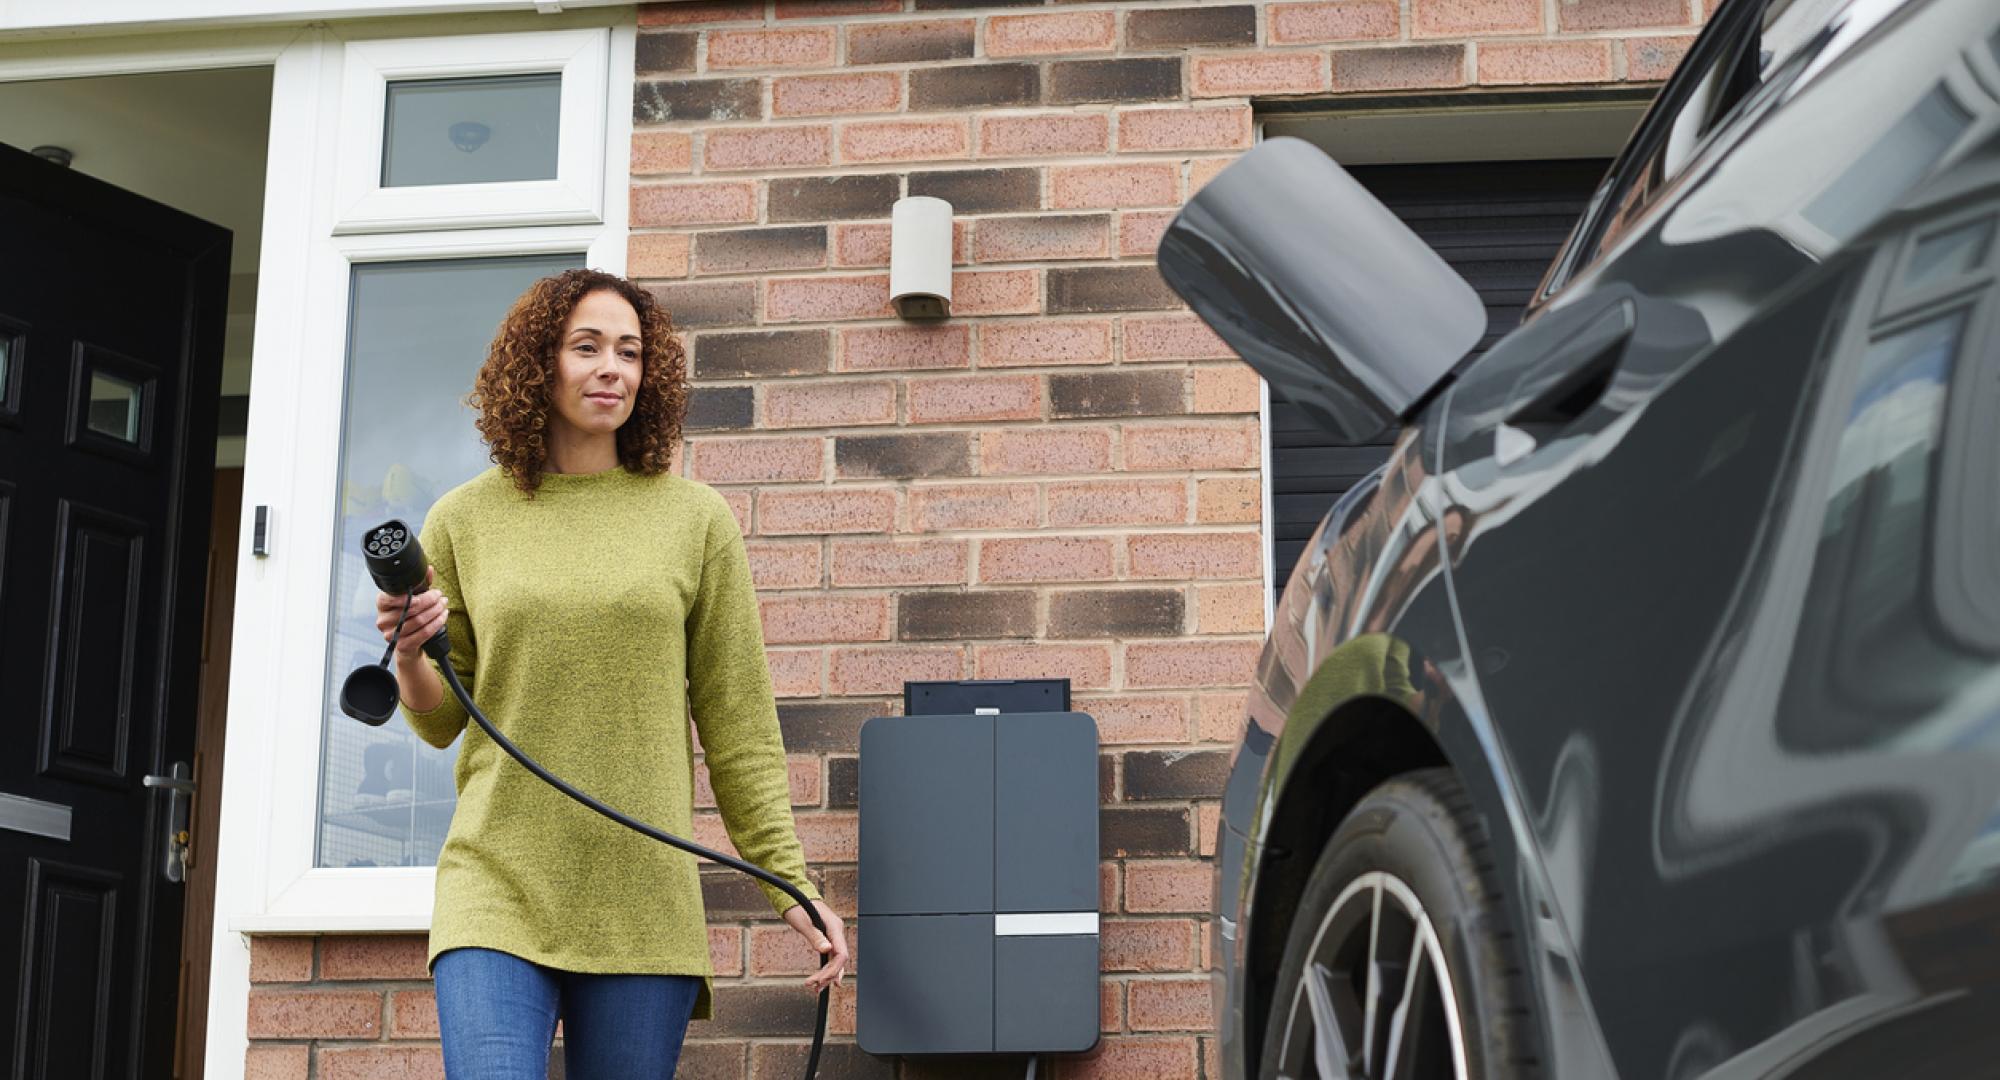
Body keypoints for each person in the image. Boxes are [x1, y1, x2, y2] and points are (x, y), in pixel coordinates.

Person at [376, 268, 847, 1078]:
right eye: (586, 347)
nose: (612, 368)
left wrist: (789, 887)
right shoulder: (463, 519)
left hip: (642, 895)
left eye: (629, 352)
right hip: (497, 881)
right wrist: (413, 653)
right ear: (538, 365)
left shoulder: (693, 520)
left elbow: (739, 726)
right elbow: (440, 717)